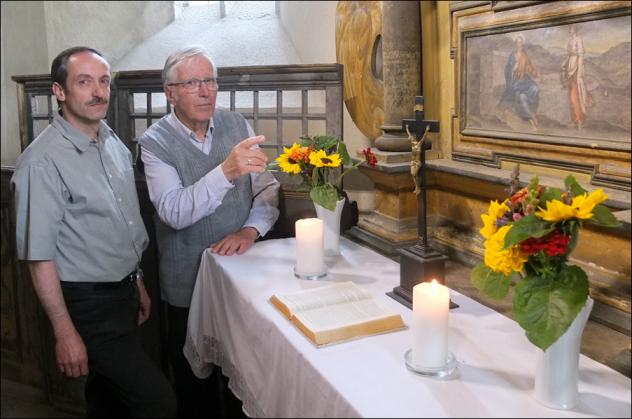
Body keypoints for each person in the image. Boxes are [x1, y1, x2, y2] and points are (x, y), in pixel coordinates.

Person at [11, 46, 176, 418]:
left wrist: (136, 282)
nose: (98, 91)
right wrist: (65, 333)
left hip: (123, 293)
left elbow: (119, 226)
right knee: (157, 402)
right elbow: (40, 258)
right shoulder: (42, 163)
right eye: (84, 82)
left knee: (108, 398)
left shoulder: (109, 141)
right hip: (86, 305)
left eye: (103, 81)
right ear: (59, 91)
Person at [138, 46, 280, 417]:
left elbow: (266, 188)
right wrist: (226, 171)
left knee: (243, 385)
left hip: (242, 283)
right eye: (192, 83)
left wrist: (250, 230)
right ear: (170, 92)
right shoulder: (154, 143)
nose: (205, 91)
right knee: (193, 388)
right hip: (188, 287)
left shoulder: (237, 124)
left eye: (211, 81)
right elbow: (174, 211)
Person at [498, 34, 540, 129]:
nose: (519, 44)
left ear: (523, 44)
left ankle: (533, 111)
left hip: (524, 78)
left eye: (521, 43)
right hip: (515, 79)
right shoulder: (512, 55)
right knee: (520, 96)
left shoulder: (525, 56)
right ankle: (530, 117)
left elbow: (529, 67)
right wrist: (513, 67)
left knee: (535, 88)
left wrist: (535, 73)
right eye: (518, 43)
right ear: (515, 44)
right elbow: (507, 68)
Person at [560, 24, 592, 129]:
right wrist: (564, 64)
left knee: (576, 95)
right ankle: (574, 119)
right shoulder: (569, 41)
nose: (570, 30)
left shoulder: (579, 39)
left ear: (575, 29)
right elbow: (569, 55)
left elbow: (580, 55)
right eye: (569, 28)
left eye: (572, 28)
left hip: (577, 66)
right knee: (570, 96)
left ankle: (580, 120)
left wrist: (579, 71)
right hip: (570, 65)